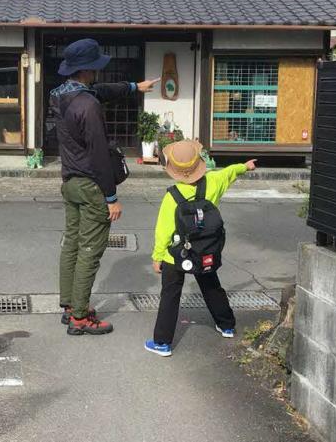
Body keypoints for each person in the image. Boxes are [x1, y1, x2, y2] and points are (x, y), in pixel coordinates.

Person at [51, 38, 158, 336]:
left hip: (70, 182)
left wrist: (136, 87)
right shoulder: (89, 106)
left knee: (71, 244)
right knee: (89, 249)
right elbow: (99, 155)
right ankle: (80, 318)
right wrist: (111, 197)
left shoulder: (61, 95)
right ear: (88, 69)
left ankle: (71, 305)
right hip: (91, 184)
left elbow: (103, 90)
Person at [145, 139, 257, 356]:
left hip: (175, 255)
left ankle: (162, 343)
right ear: (199, 163)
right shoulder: (213, 182)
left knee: (170, 295)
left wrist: (157, 255)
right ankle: (226, 325)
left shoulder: (172, 196)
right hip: (205, 250)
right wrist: (245, 166)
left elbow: (163, 231)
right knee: (211, 285)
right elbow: (230, 173)